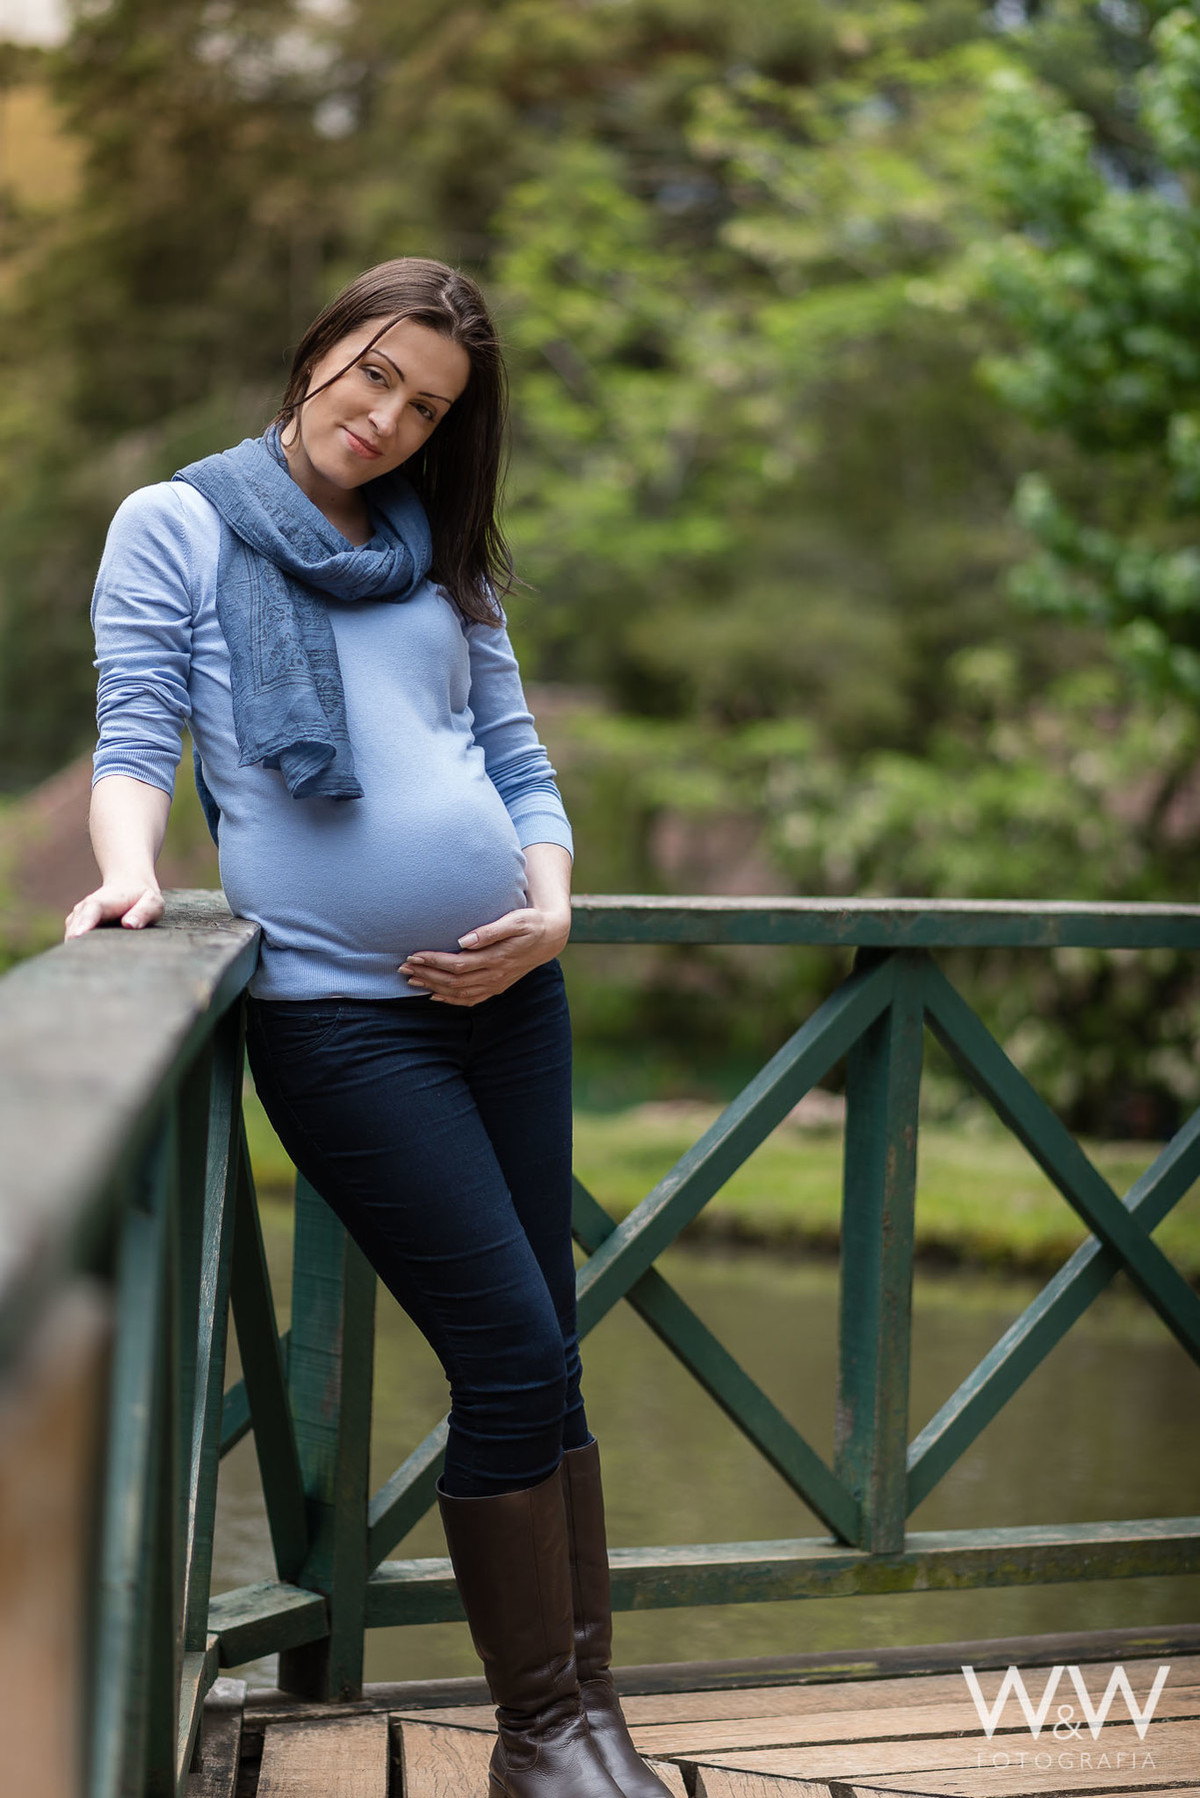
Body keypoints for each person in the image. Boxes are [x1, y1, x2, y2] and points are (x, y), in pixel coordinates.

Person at [65, 257, 671, 1798]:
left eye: (429, 405)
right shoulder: (181, 521)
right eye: (374, 375)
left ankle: (590, 1717)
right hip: (345, 1023)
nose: (390, 418)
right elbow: (138, 724)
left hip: (513, 1000)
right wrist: (131, 879)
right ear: (321, 347)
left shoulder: (434, 543)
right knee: (511, 1348)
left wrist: (554, 903)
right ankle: (540, 1733)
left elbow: (514, 755)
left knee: (553, 1354)